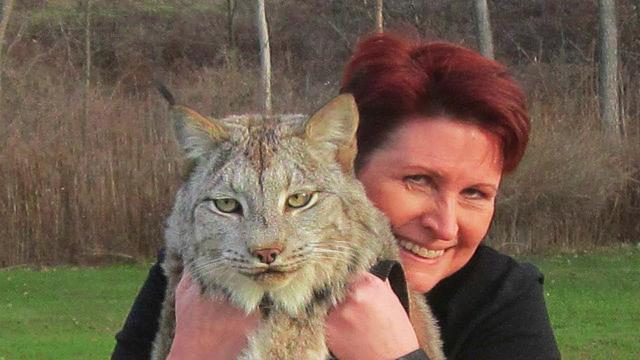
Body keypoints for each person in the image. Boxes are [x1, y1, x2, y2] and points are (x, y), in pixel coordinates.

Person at [112, 33, 560, 360]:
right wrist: (193, 352)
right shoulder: (200, 269)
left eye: (476, 193)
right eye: (418, 181)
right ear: (349, 170)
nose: (444, 225)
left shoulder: (501, 296)